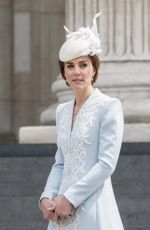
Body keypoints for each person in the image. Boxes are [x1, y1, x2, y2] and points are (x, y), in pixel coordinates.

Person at [39, 13, 124, 230]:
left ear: (93, 69)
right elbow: (60, 162)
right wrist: (47, 197)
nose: (77, 72)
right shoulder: (61, 111)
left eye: (83, 64)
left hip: (93, 207)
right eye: (70, 66)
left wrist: (70, 199)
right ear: (64, 73)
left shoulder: (109, 106)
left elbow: (106, 164)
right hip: (60, 212)